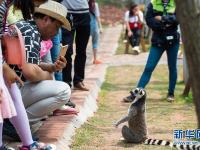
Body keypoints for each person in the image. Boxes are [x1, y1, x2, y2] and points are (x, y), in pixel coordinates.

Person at [0, 0, 56, 149]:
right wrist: (4, 67)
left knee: (13, 95)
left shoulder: (6, 5)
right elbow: (30, 71)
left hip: (2, 62)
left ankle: (28, 143)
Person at [123, 0, 179, 102]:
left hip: (173, 41)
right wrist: (165, 25)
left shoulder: (176, 3)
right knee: (149, 67)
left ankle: (171, 94)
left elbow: (178, 19)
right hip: (158, 40)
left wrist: (162, 18)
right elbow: (149, 20)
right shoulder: (153, 3)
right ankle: (136, 94)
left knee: (172, 67)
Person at [61, 0, 91, 91]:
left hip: (84, 14)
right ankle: (66, 82)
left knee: (82, 50)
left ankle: (78, 80)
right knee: (67, 50)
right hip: (67, 13)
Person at [88, 0, 103, 64]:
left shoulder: (85, 4)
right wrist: (100, 27)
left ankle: (81, 59)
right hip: (94, 26)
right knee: (95, 43)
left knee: (83, 43)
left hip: (86, 25)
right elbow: (97, 17)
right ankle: (95, 59)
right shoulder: (95, 4)